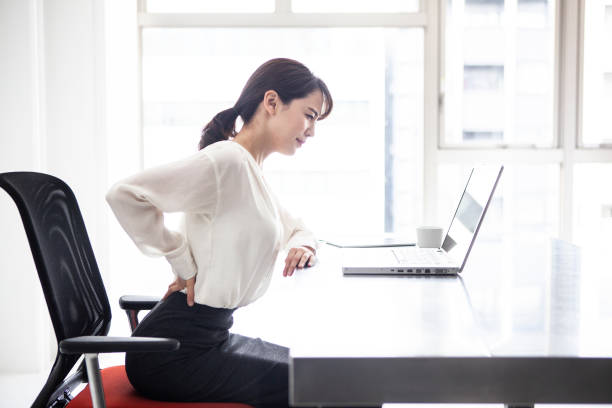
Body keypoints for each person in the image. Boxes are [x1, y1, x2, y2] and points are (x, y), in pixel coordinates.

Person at [105, 58, 333, 407]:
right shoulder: (226, 161)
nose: (312, 130)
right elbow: (124, 193)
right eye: (310, 115)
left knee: (341, 376)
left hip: (207, 338)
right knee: (342, 386)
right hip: (173, 354)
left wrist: (303, 244)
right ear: (271, 102)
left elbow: (297, 227)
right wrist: (181, 260)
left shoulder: (249, 168)